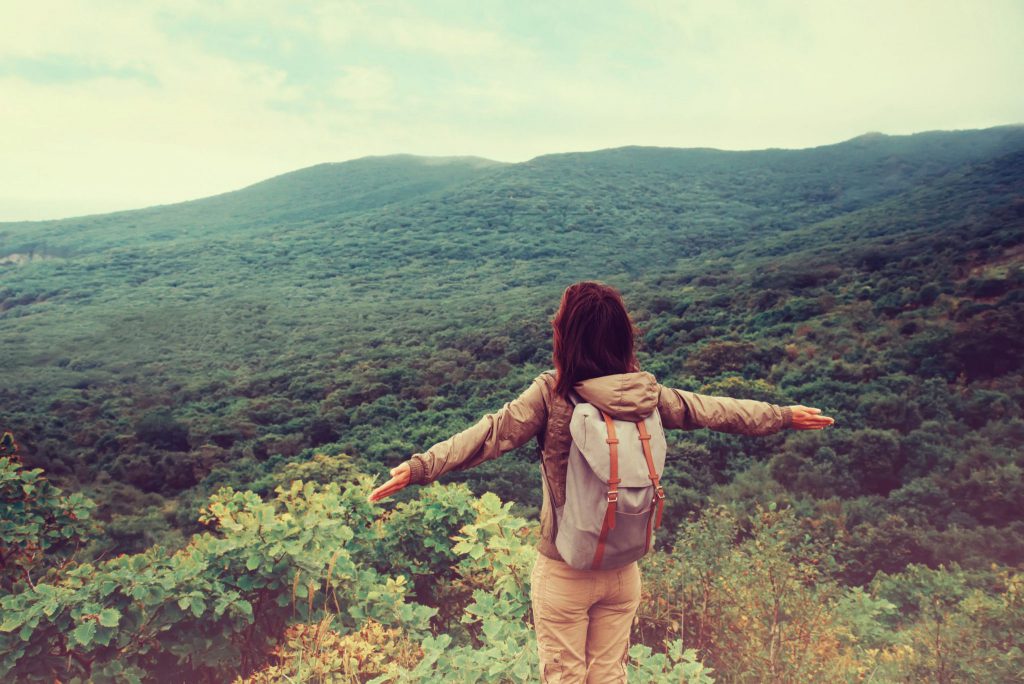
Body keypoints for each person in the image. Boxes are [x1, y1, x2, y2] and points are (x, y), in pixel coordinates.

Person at [368, 281, 835, 683]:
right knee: (610, 677)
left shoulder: (553, 394)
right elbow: (711, 409)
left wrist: (421, 467)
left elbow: (490, 434)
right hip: (623, 569)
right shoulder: (646, 393)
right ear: (622, 337)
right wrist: (781, 416)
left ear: (565, 338)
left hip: (565, 571)